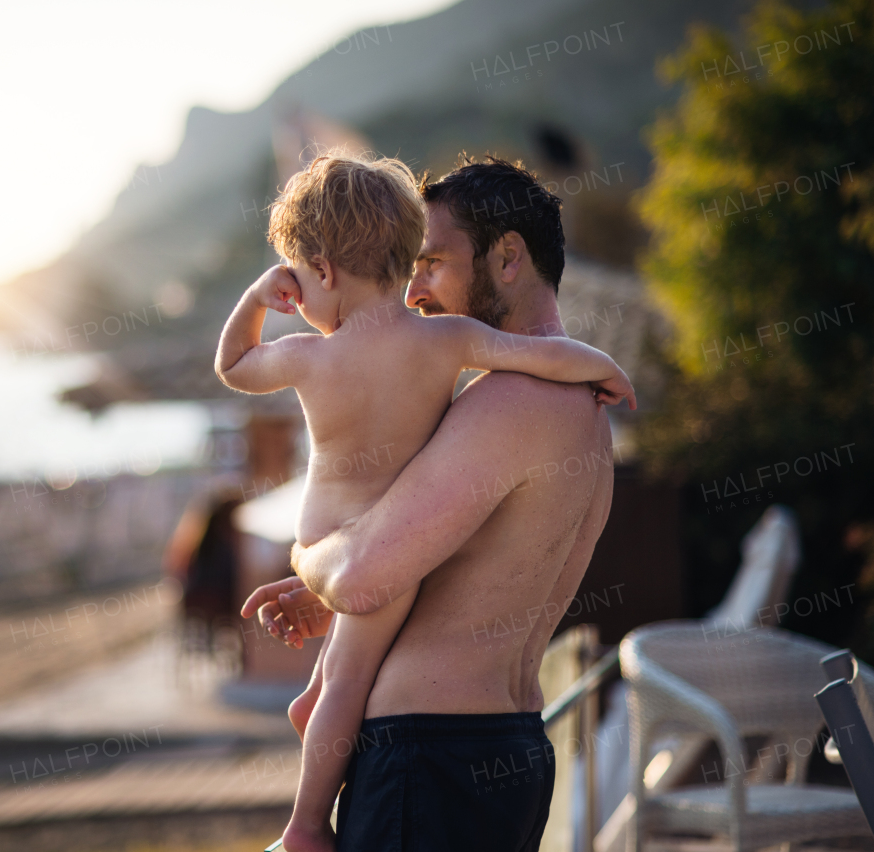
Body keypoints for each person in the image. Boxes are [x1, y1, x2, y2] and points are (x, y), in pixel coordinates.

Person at [217, 152, 634, 852]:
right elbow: (477, 566)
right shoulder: (581, 407)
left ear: (508, 259)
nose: (412, 293)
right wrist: (333, 596)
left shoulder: (509, 403)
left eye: (431, 263)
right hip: (504, 745)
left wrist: (311, 556)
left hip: (431, 758)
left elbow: (361, 575)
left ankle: (301, 825)